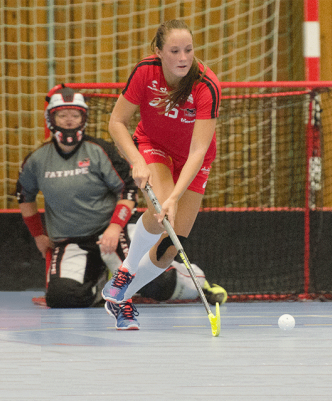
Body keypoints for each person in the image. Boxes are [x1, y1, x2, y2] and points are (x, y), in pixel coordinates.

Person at [17, 84, 225, 330]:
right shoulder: (37, 160)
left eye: (75, 115)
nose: (69, 120)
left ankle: (198, 283)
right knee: (62, 297)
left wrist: (115, 228)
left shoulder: (99, 151)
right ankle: (103, 285)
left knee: (156, 284)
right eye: (63, 115)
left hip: (111, 234)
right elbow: (25, 197)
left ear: (83, 118)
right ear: (51, 119)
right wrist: (38, 235)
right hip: (70, 241)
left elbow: (127, 190)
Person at [102, 19, 226, 329]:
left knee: (170, 247)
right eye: (174, 51)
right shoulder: (145, 72)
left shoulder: (206, 85)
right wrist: (136, 160)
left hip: (194, 159)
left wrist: (175, 197)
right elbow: (116, 122)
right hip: (153, 145)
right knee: (162, 214)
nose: (184, 58)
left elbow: (198, 150)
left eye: (188, 50)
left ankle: (120, 297)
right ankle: (126, 269)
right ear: (158, 51)